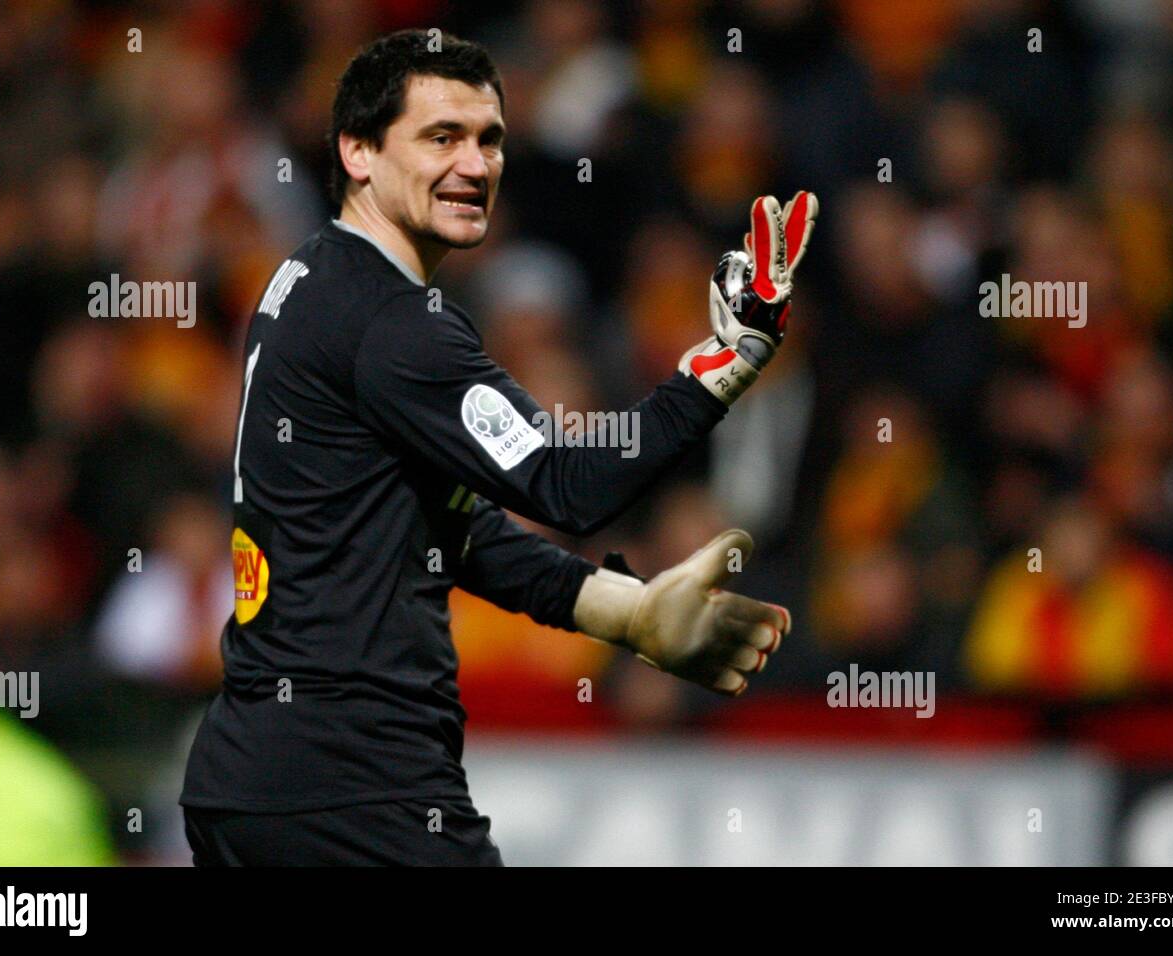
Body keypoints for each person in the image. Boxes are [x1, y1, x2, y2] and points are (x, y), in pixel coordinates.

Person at [180, 28, 817, 866]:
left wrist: (620, 611)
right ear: (358, 151)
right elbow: (567, 487)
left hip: (254, 778)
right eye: (441, 137)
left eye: (490, 139)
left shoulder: (305, 282)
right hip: (358, 786)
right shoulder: (395, 321)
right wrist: (725, 366)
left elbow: (453, 532)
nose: (476, 165)